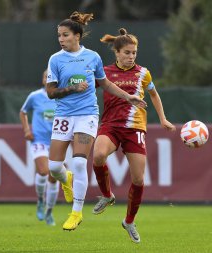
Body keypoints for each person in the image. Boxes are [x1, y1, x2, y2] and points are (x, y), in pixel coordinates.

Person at [45, 11, 147, 231]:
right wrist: (72, 88)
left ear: (77, 36)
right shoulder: (55, 59)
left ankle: (76, 212)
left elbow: (107, 84)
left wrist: (128, 96)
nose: (61, 39)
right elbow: (51, 93)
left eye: (65, 35)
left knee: (80, 161)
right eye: (59, 36)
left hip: (87, 115)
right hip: (63, 115)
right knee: (54, 167)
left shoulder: (92, 57)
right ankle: (67, 179)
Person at [92, 28, 176, 243]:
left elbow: (154, 95)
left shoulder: (143, 73)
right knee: (98, 155)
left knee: (138, 179)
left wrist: (163, 118)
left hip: (135, 127)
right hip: (110, 125)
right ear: (117, 52)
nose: (131, 57)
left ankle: (129, 221)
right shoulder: (104, 72)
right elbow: (87, 91)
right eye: (127, 52)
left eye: (134, 53)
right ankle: (108, 195)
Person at [19, 70, 59, 226]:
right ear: (43, 80)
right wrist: (27, 130)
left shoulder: (62, 97)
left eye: (51, 77)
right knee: (43, 171)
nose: (48, 79)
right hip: (39, 140)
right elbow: (23, 112)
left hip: (57, 141)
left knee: (53, 177)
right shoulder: (35, 96)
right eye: (46, 77)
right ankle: (41, 200)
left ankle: (49, 211)